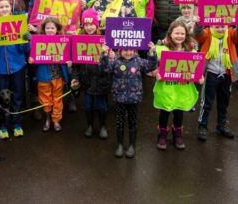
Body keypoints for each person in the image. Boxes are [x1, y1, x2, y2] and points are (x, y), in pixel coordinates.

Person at [0, 0, 31, 139]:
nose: (4, 9)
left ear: (11, 7)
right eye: (1, 7)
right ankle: (3, 125)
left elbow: (24, 49)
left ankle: (16, 124)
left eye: (6, 6)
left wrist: (27, 40)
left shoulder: (18, 23)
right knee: (1, 99)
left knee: (17, 96)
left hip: (18, 67)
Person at [100, 40, 157, 158]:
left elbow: (151, 66)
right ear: (120, 51)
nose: (128, 52)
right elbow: (105, 69)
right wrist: (104, 55)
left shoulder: (139, 62)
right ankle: (120, 144)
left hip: (134, 98)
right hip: (119, 97)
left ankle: (132, 145)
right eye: (125, 50)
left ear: (134, 50)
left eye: (131, 50)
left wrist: (152, 53)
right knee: (119, 122)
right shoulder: (115, 61)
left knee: (133, 121)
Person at [194, 21, 238, 141]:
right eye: (217, 26)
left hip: (226, 73)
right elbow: (198, 34)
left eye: (223, 26)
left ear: (227, 26)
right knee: (206, 102)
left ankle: (222, 125)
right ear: (211, 25)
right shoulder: (207, 33)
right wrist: (198, 23)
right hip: (211, 73)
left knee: (224, 102)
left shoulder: (231, 33)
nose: (220, 29)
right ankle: (203, 125)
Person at [153, 21, 200, 150]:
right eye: (177, 33)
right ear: (170, 34)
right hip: (166, 88)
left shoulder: (191, 50)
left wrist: (200, 77)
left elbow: (196, 68)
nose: (179, 36)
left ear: (186, 35)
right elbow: (154, 67)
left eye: (182, 33)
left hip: (182, 89)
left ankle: (177, 133)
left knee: (179, 111)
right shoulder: (161, 49)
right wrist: (156, 73)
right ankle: (162, 134)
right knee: (165, 112)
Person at [71, 9, 110, 139]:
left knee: (102, 106)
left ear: (97, 25)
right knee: (87, 106)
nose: (89, 27)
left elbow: (111, 63)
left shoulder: (105, 40)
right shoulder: (78, 40)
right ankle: (89, 125)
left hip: (101, 81)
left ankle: (103, 126)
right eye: (86, 25)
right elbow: (76, 64)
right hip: (86, 81)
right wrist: (75, 78)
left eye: (92, 24)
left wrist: (110, 55)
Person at [28, 18, 71, 132]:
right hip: (43, 76)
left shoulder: (63, 41)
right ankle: (47, 119)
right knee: (45, 99)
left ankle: (56, 120)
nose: (50, 30)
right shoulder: (37, 41)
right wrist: (31, 61)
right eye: (48, 28)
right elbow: (33, 61)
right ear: (44, 29)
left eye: (53, 28)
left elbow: (68, 57)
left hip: (57, 76)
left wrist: (69, 63)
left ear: (57, 29)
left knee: (57, 99)